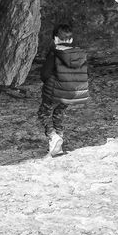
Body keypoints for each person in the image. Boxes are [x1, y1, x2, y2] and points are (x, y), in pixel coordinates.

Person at [38, 23, 90, 157]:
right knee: (58, 114)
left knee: (44, 113)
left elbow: (45, 74)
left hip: (55, 90)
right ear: (71, 40)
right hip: (72, 93)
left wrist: (48, 83)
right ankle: (58, 145)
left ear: (55, 39)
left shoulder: (55, 53)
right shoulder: (79, 54)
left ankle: (53, 136)